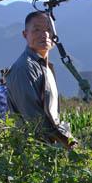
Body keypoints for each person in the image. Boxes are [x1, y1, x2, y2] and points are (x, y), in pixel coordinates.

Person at [5, 11, 76, 147]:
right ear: (25, 34)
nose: (45, 35)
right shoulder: (23, 68)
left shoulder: (44, 66)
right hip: (32, 150)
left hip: (49, 147)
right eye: (37, 30)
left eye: (48, 29)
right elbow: (34, 120)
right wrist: (67, 142)